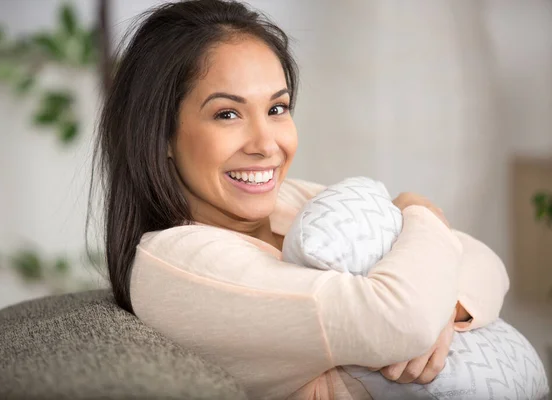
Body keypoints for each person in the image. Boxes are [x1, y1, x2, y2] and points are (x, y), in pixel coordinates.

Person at [90, 0, 509, 398]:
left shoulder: (291, 200)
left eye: (277, 108)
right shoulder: (178, 262)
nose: (265, 144)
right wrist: (419, 209)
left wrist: (445, 309)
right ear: (161, 134)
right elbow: (403, 319)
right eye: (227, 114)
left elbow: (486, 263)